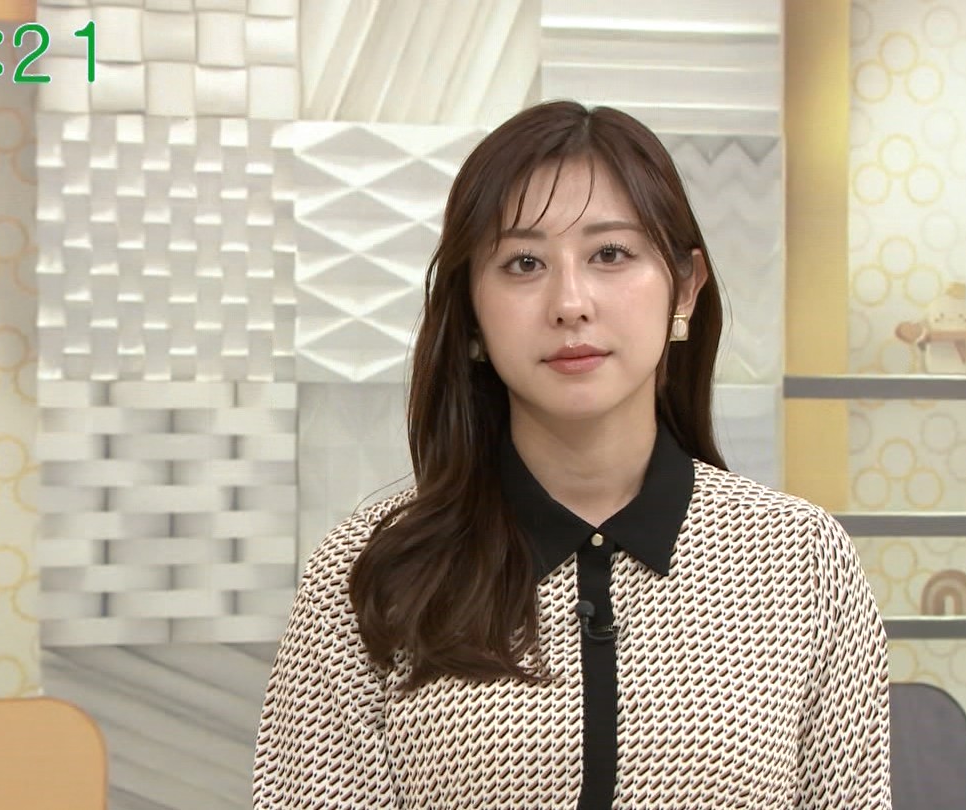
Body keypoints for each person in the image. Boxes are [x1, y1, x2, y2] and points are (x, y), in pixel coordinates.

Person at [252, 99, 891, 809]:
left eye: (610, 254)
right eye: (523, 263)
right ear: (471, 313)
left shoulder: (801, 560)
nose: (570, 302)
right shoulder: (368, 576)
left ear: (685, 287)